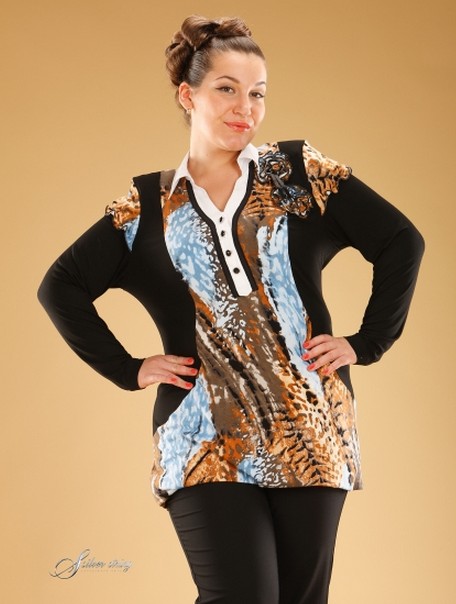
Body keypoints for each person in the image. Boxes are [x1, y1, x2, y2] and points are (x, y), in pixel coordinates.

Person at [37, 14, 424, 604]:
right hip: (201, 434)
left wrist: (367, 342)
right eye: (227, 89)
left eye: (257, 93)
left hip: (310, 428)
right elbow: (60, 285)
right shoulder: (147, 207)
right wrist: (127, 368)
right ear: (187, 96)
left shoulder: (297, 174)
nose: (246, 108)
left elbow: (402, 241)